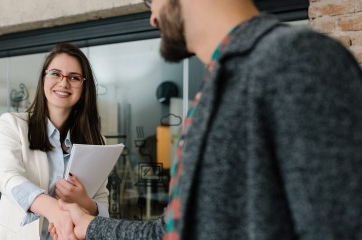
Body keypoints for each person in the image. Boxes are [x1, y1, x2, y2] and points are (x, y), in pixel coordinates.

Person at [55, 0, 362, 239]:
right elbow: (174, 232)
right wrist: (90, 226)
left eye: (151, 1)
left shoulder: (299, 60)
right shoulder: (217, 88)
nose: (152, 17)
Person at [0, 43, 109, 240]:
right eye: (55, 73)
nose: (64, 83)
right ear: (43, 78)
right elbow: (6, 175)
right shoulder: (12, 124)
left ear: (84, 87)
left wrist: (85, 202)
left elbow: (103, 207)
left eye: (74, 77)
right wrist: (54, 210)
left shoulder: (97, 141)